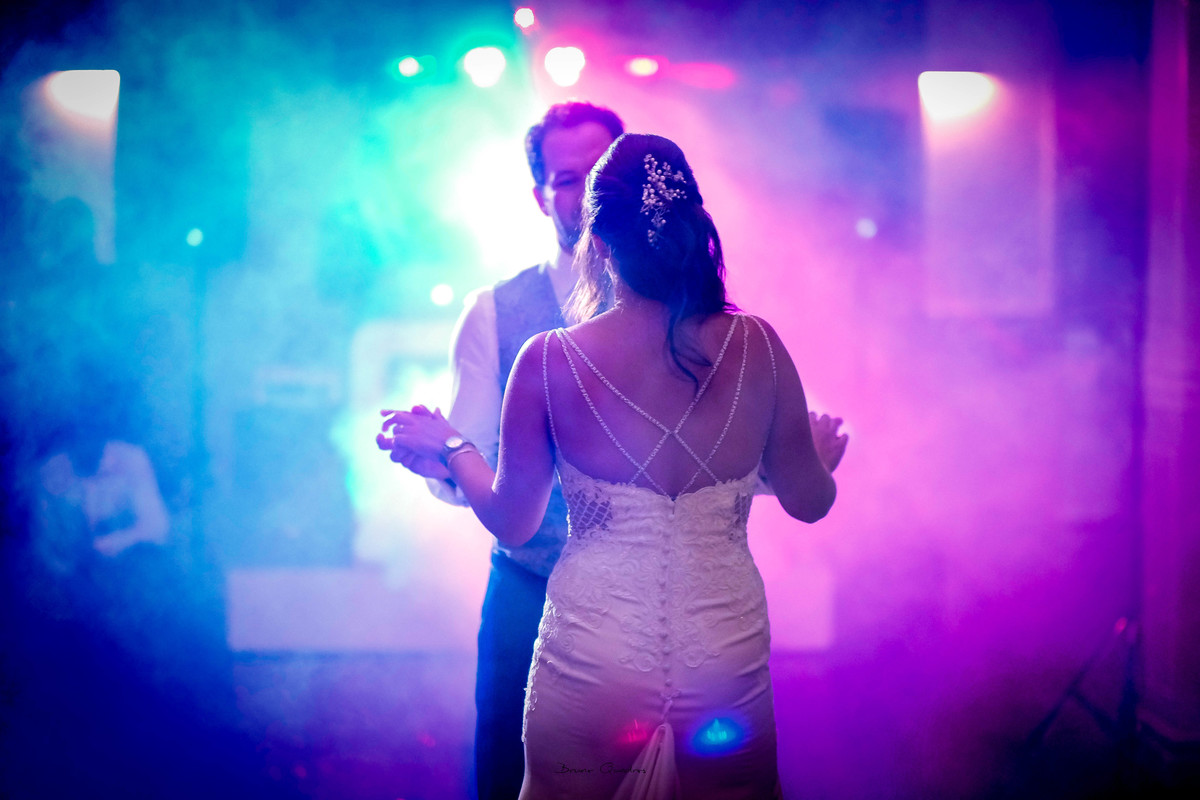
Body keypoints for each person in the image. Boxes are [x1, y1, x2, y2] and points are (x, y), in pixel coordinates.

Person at [379, 133, 847, 797]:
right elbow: (809, 501)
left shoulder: (548, 359)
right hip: (722, 656)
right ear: (690, 228)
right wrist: (817, 460)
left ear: (597, 242)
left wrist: (453, 448)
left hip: (592, 655)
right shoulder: (758, 345)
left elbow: (513, 521)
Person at [413, 102, 625, 800]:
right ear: (541, 197)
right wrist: (444, 457)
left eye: (601, 170)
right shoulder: (495, 311)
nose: (587, 192)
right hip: (529, 596)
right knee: (513, 781)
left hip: (648, 600)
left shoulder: (682, 309)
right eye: (567, 179)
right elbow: (470, 460)